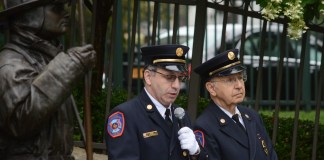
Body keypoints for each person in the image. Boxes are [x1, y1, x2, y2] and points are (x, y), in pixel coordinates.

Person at [0, 0, 96, 159]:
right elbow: (22, 120)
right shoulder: (8, 63)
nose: (66, 13)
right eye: (57, 8)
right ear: (31, 15)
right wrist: (69, 67)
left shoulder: (45, 61)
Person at [105, 44, 206, 160]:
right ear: (148, 77)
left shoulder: (181, 115)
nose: (176, 86)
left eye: (180, 78)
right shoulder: (127, 116)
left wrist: (196, 152)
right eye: (169, 77)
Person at [193, 49, 278, 160]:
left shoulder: (252, 116)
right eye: (230, 80)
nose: (239, 85)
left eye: (240, 78)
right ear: (211, 88)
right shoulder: (205, 126)